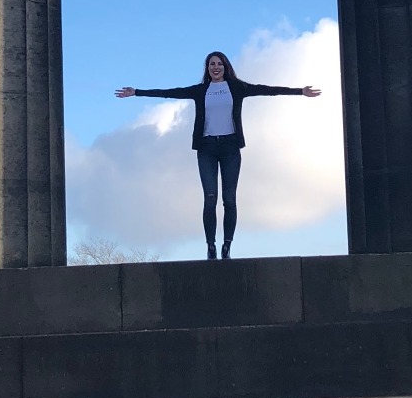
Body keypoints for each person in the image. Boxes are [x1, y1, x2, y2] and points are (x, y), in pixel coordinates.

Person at [115, 53, 320, 259]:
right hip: (207, 148)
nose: (216, 67)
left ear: (225, 66)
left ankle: (227, 246)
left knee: (229, 200)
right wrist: (137, 92)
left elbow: (267, 90)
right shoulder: (200, 90)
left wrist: (300, 91)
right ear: (207, 68)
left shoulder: (237, 87)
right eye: (212, 64)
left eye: (219, 64)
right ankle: (211, 246)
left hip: (230, 147)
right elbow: (171, 93)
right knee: (210, 198)